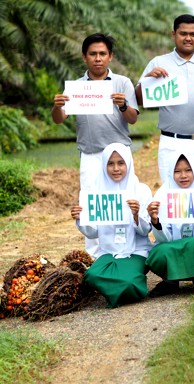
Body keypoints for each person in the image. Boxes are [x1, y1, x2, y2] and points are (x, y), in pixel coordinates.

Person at [53, 33, 139, 257]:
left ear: (110, 56)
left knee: (123, 203)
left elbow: (133, 118)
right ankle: (94, 258)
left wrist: (122, 105)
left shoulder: (122, 83)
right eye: (93, 54)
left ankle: (125, 251)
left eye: (102, 53)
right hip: (91, 155)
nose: (98, 58)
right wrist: (57, 106)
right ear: (84, 57)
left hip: (120, 155)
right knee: (93, 207)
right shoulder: (76, 88)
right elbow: (59, 118)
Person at [135, 14, 194, 192]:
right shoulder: (158, 63)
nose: (188, 38)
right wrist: (148, 80)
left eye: (193, 34)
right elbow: (138, 100)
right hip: (173, 142)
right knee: (175, 199)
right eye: (183, 33)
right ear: (173, 34)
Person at [70, 143, 152, 308]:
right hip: (108, 251)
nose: (116, 168)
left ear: (128, 164)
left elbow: (146, 230)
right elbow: (93, 233)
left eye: (121, 163)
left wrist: (136, 215)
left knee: (128, 281)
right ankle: (122, 286)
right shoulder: (96, 192)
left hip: (136, 251)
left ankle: (127, 285)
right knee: (91, 275)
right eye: (110, 163)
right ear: (104, 165)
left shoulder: (141, 190)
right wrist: (80, 218)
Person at [145, 151, 194, 297]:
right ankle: (171, 281)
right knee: (159, 252)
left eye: (188, 170)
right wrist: (156, 221)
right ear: (170, 173)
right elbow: (163, 240)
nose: (183, 175)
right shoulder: (162, 195)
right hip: (172, 248)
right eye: (177, 171)